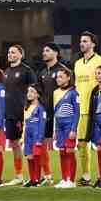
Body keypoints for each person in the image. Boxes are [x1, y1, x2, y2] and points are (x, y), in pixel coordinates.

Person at [71, 31, 101, 186]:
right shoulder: (77, 63)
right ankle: (86, 176)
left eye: (85, 41)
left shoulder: (100, 61)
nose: (82, 43)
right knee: (81, 144)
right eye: (81, 41)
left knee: (100, 144)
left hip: (96, 109)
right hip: (81, 109)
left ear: (93, 44)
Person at [1, 45, 37, 185]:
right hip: (9, 113)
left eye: (13, 52)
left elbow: (34, 91)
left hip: (22, 113)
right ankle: (19, 175)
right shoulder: (6, 72)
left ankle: (35, 176)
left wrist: (30, 110)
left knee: (29, 144)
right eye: (9, 52)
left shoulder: (27, 71)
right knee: (14, 144)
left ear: (21, 55)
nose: (10, 54)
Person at [35, 43, 64, 185]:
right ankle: (47, 176)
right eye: (43, 50)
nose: (44, 53)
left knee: (64, 147)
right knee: (41, 145)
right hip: (44, 114)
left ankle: (66, 177)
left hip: (59, 115)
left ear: (56, 53)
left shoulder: (63, 71)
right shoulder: (42, 73)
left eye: (47, 50)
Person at [51, 65, 80, 188]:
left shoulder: (73, 93)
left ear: (68, 78)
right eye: (57, 77)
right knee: (62, 152)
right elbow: (55, 112)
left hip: (69, 125)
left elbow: (77, 112)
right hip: (59, 126)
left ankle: (71, 181)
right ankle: (64, 179)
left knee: (69, 151)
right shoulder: (55, 93)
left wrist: (73, 129)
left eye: (61, 77)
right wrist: (54, 130)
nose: (58, 79)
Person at [20, 86, 47, 188]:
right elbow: (25, 124)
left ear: (38, 95)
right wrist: (22, 138)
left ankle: (37, 179)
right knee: (30, 157)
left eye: (32, 91)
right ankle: (32, 179)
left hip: (36, 136)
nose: (29, 93)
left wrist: (40, 139)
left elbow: (42, 124)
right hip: (28, 136)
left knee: (36, 157)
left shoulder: (41, 108)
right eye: (28, 91)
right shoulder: (26, 108)